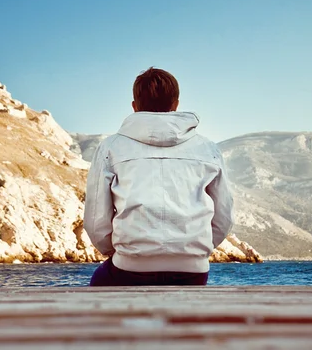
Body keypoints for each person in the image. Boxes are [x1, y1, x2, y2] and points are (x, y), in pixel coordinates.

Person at [83, 67, 234, 286]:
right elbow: (224, 216)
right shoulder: (208, 148)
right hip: (192, 270)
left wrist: (121, 252)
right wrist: (194, 252)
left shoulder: (110, 148)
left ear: (135, 107)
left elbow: (97, 220)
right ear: (176, 105)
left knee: (98, 287)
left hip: (130, 268)